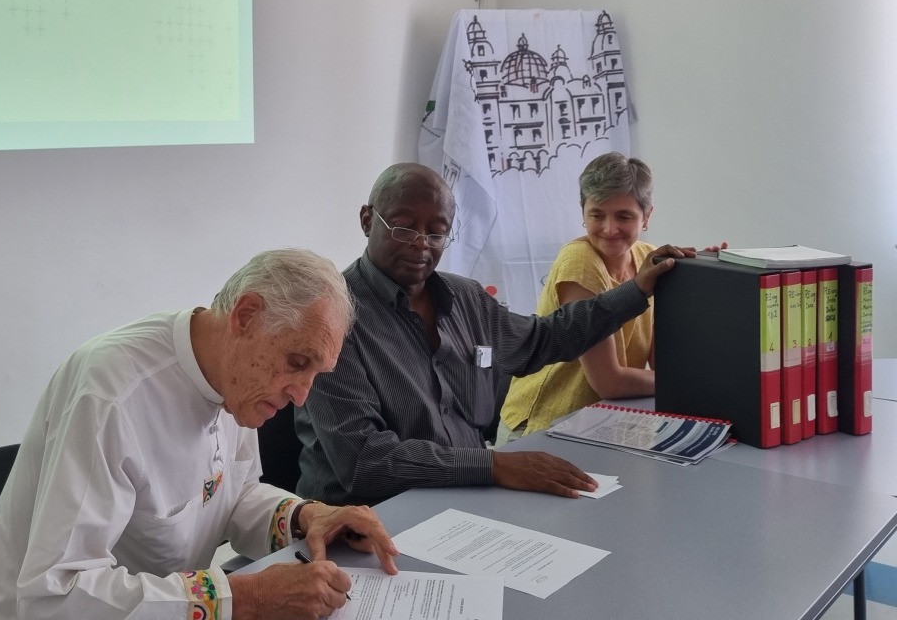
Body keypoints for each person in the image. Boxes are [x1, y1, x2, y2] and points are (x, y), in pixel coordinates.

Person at [0, 249, 400, 620]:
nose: (303, 396)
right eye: (297, 362)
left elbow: (231, 495)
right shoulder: (112, 392)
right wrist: (245, 598)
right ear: (246, 316)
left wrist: (306, 517)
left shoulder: (234, 379)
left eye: (315, 374)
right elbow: (53, 601)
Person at [294, 163, 695, 507]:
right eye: (403, 227)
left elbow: (544, 339)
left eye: (437, 233)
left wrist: (637, 290)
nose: (421, 245)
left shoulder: (464, 298)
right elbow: (365, 462)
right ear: (367, 220)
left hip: (468, 502)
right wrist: (495, 464)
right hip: (368, 521)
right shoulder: (330, 319)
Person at [498, 153, 726, 445]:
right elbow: (609, 382)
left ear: (647, 217)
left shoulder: (648, 257)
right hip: (540, 428)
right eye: (597, 215)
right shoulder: (580, 261)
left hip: (602, 425)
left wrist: (710, 285)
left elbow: (666, 363)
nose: (609, 229)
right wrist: (685, 385)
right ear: (583, 213)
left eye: (623, 216)